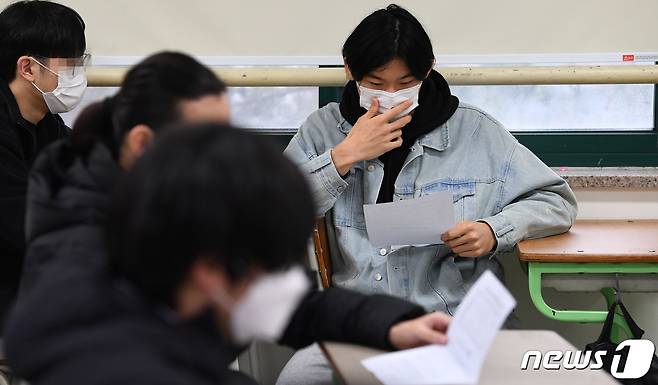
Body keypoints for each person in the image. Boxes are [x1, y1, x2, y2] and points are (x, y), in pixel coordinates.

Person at [4, 52, 452, 384]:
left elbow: (278, 301)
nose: (214, 153)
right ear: (142, 145)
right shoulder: (80, 230)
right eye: (199, 138)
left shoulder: (186, 200)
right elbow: (62, 343)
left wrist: (393, 323)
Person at [279, 4, 578, 384]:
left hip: (454, 321)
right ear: (349, 70)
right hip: (356, 324)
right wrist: (344, 156)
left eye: (405, 84)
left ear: (429, 69)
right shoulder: (322, 130)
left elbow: (557, 202)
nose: (390, 95)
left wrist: (493, 230)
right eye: (375, 82)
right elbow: (272, 216)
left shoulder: (475, 131)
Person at [0, 0, 88, 330]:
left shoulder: (46, 124)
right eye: (72, 64)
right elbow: (22, 222)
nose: (79, 73)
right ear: (28, 68)